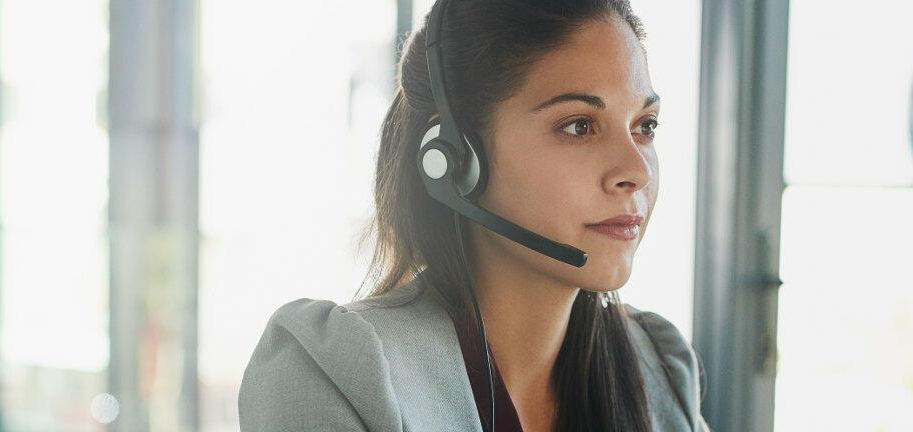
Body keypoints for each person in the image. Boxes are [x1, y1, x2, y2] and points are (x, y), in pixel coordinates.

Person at [237, 0, 708, 431]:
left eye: (645, 127)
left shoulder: (658, 368)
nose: (635, 172)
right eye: (578, 126)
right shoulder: (338, 373)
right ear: (455, 158)